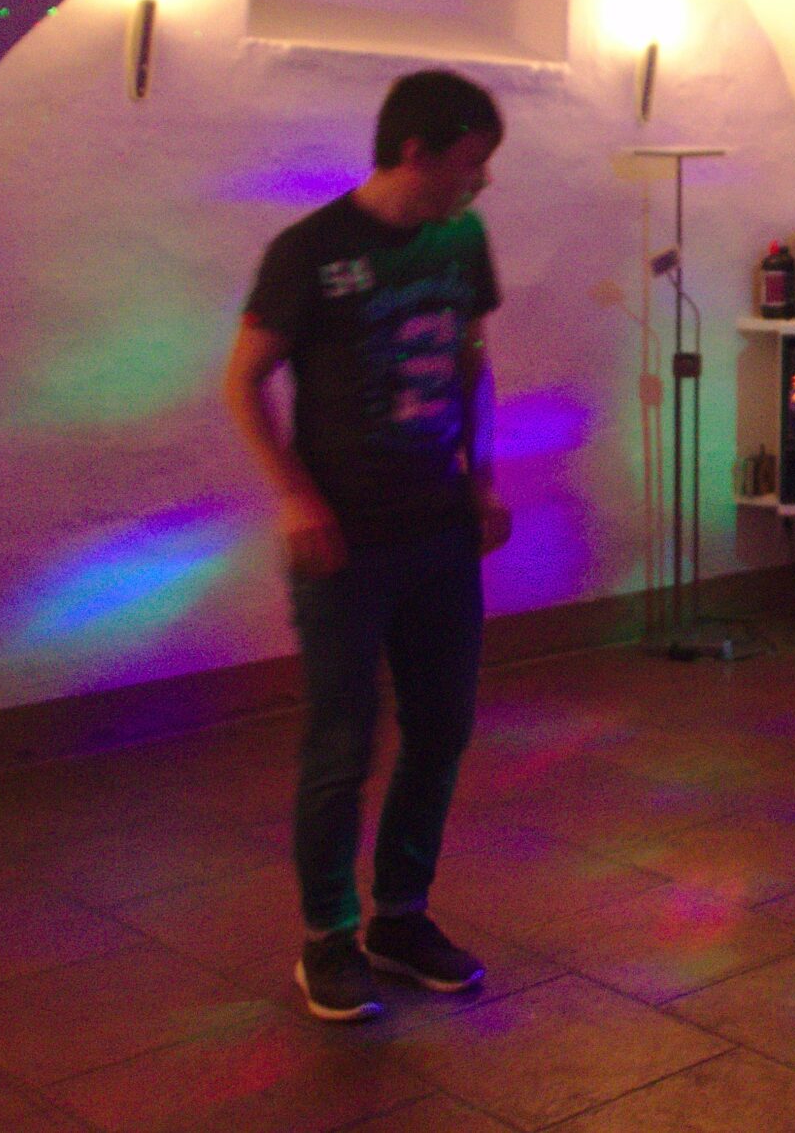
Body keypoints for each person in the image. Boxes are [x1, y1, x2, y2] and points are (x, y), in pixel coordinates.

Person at [224, 69, 512, 1022]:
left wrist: (481, 479)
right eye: (471, 163)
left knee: (441, 729)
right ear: (417, 152)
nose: (480, 183)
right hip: (345, 544)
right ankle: (328, 939)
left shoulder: (461, 240)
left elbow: (471, 362)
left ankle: (400, 917)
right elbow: (243, 381)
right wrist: (296, 498)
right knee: (342, 743)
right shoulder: (311, 251)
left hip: (439, 532)